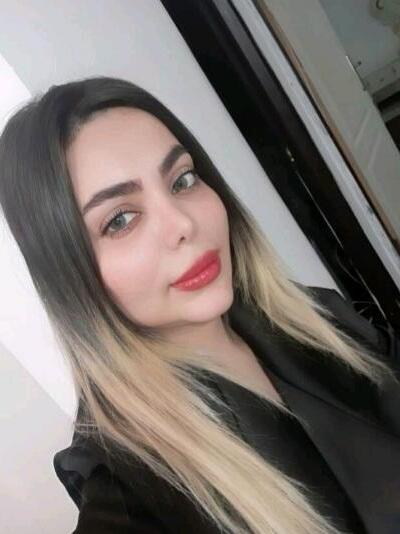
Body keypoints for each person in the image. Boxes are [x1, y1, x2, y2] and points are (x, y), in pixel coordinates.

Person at [0, 76, 399, 534]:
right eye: (120, 219)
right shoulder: (129, 491)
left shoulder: (318, 318)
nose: (182, 224)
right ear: (68, 272)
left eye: (182, 180)